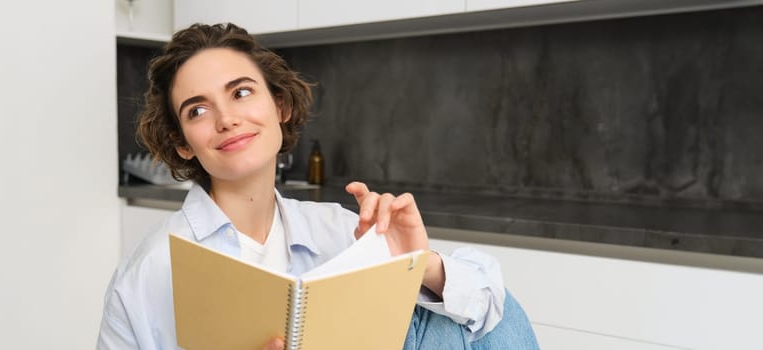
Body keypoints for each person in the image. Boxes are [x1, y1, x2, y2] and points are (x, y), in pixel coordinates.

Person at [97, 23, 538, 350]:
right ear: (183, 144)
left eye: (242, 92)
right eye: (196, 110)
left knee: (477, 309)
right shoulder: (148, 274)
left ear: (281, 106)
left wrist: (418, 265)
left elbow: (493, 313)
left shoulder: (340, 231)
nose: (226, 118)